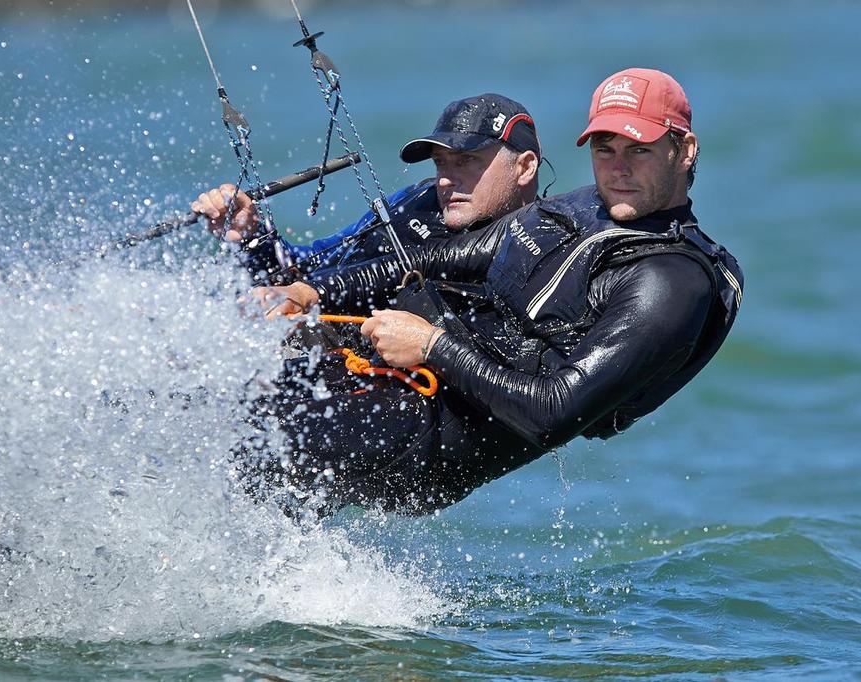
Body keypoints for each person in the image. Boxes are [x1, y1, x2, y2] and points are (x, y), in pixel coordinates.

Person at [242, 68, 744, 516]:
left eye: (639, 149)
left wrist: (431, 347)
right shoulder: (583, 208)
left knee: (242, 448)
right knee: (213, 402)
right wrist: (311, 289)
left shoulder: (670, 282)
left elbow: (551, 413)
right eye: (603, 149)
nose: (618, 169)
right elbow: (428, 258)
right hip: (391, 373)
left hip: (432, 435)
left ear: (685, 150)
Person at [190, 93, 542, 284]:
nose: (446, 179)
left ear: (525, 167)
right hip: (312, 334)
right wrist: (252, 235)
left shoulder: (544, 245)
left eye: (465, 160)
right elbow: (305, 266)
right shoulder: (415, 201)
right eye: (440, 162)